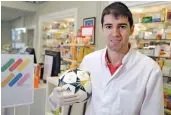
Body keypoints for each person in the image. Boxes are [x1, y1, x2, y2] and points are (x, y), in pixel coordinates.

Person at [48, 2, 164, 115]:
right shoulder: (89, 61)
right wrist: (55, 99)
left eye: (122, 26)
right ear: (102, 29)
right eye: (109, 26)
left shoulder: (150, 70)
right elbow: (80, 97)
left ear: (132, 29)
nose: (115, 33)